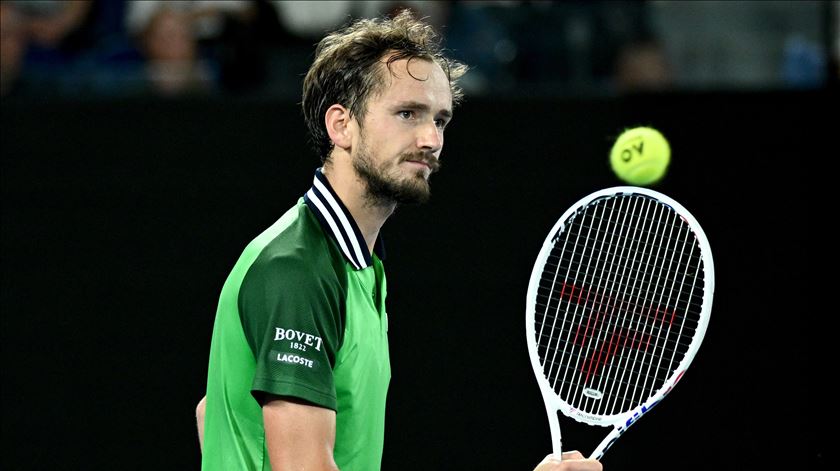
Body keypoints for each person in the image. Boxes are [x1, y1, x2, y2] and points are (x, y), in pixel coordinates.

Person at [196, 9, 601, 471]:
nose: (430, 138)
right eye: (407, 114)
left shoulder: (359, 267)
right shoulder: (297, 268)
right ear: (341, 125)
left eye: (441, 120)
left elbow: (215, 409)